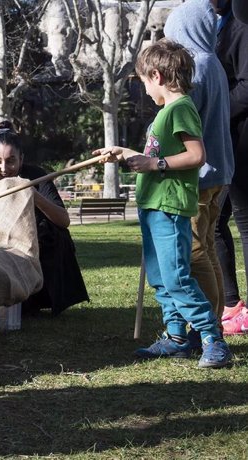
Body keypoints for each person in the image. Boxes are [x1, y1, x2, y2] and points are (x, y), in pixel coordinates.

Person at [94, 39, 232, 368]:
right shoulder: (166, 113)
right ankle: (176, 338)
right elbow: (155, 156)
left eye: (143, 82)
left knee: (177, 278)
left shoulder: (180, 108)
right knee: (160, 278)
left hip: (170, 209)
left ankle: (213, 339)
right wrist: (127, 154)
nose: (144, 89)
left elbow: (197, 156)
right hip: (154, 207)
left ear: (156, 75)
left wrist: (155, 165)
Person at [164, 0, 234, 322]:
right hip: (220, 172)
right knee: (206, 247)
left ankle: (206, 323)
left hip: (202, 175)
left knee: (194, 251)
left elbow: (183, 123)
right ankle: (215, 316)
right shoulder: (214, 63)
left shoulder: (198, 68)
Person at [0, 121, 89, 316]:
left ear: (21, 159)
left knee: (55, 235)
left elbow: (63, 221)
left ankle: (38, 299)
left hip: (34, 240)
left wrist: (34, 195)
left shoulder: (36, 176)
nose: (3, 168)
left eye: (11, 160)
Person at [213, 0, 248, 335]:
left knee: (243, 221)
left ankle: (236, 307)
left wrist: (217, 111)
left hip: (241, 139)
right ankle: (231, 303)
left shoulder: (243, 24)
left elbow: (247, 86)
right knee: (215, 220)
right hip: (226, 141)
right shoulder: (218, 25)